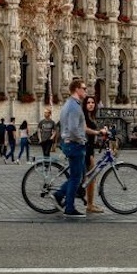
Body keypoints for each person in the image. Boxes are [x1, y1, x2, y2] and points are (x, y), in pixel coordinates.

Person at [54, 77, 88, 217]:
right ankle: (69, 208)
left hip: (69, 143)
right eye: (84, 89)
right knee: (76, 178)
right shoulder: (74, 106)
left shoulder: (69, 104)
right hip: (74, 144)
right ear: (77, 89)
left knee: (77, 175)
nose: (86, 91)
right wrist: (82, 140)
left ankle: (59, 194)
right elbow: (74, 128)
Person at [82, 94, 106, 214]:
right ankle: (90, 205)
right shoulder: (84, 116)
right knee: (91, 177)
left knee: (91, 177)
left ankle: (90, 203)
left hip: (90, 148)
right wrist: (97, 132)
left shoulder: (91, 117)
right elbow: (85, 129)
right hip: (85, 148)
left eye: (92, 102)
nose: (91, 104)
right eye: (88, 103)